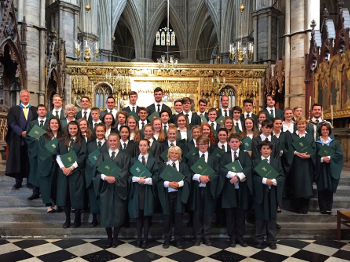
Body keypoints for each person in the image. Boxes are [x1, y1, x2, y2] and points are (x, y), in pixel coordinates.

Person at [93, 133, 131, 248]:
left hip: (119, 187)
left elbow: (126, 171)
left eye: (115, 141)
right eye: (110, 141)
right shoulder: (102, 156)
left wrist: (115, 178)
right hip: (106, 188)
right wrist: (105, 177)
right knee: (106, 213)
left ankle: (115, 238)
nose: (113, 143)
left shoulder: (125, 156)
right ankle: (109, 238)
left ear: (118, 141)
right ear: (107, 142)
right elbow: (97, 171)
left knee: (118, 212)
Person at [218, 133, 252, 247]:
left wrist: (239, 177)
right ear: (228, 143)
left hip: (242, 189)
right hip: (229, 188)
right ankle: (232, 237)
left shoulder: (245, 155)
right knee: (230, 214)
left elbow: (248, 167)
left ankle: (240, 237)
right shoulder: (224, 155)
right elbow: (221, 168)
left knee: (240, 214)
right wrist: (231, 175)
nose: (234, 144)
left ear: (240, 143)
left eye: (236, 142)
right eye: (232, 142)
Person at [252, 141, 284, 250]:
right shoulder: (255, 162)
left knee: (272, 218)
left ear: (271, 150)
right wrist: (264, 180)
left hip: (272, 193)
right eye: (264, 148)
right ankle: (259, 239)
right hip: (260, 193)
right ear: (260, 150)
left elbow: (282, 176)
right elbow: (252, 177)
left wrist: (274, 181)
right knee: (260, 217)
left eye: (268, 148)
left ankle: (271, 240)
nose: (266, 150)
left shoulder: (276, 163)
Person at [187, 135, 219, 246]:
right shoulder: (193, 158)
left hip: (209, 189)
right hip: (196, 190)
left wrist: (208, 177)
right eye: (201, 144)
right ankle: (197, 236)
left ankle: (206, 236)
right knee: (197, 213)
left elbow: (217, 172)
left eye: (205, 143)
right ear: (197, 145)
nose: (203, 146)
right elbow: (189, 173)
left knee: (208, 213)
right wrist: (199, 177)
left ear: (208, 145)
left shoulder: (213, 158)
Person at [157, 145, 191, 249]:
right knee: (167, 218)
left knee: (178, 219)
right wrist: (168, 184)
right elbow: (158, 181)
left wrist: (179, 184)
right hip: (167, 195)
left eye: (176, 153)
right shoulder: (163, 166)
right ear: (168, 154)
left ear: (179, 155)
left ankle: (178, 240)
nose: (174, 155)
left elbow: (188, 179)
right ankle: (167, 239)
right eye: (172, 153)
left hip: (179, 195)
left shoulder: (184, 166)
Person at [128, 139, 159, 248]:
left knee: (146, 216)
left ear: (148, 146)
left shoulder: (153, 161)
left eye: (144, 145)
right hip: (136, 191)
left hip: (148, 191)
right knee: (138, 216)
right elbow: (127, 175)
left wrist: (146, 180)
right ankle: (138, 238)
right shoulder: (133, 160)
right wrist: (136, 179)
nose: (142, 147)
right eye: (140, 145)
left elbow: (157, 176)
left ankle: (145, 239)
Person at [56, 121, 86, 228]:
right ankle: (67, 220)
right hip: (64, 173)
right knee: (66, 197)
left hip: (76, 173)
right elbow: (58, 155)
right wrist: (63, 168)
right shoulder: (61, 141)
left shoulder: (82, 141)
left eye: (74, 129)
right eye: (71, 129)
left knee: (76, 196)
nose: (72, 131)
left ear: (77, 129)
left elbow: (82, 157)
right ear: (67, 129)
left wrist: (71, 168)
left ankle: (77, 219)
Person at [6, 90, 38, 189]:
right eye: (23, 96)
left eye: (27, 96)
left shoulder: (34, 109)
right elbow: (12, 123)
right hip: (17, 139)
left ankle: (30, 181)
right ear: (20, 97)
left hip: (31, 140)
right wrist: (21, 132)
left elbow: (37, 123)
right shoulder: (13, 109)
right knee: (18, 159)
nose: (25, 98)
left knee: (30, 160)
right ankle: (18, 181)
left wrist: (29, 134)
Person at [287, 117, 315, 214]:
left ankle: (305, 207)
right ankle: (297, 207)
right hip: (296, 163)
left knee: (306, 184)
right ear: (296, 125)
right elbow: (289, 148)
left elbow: (314, 149)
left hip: (307, 164)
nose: (301, 126)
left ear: (306, 125)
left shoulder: (310, 137)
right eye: (299, 124)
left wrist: (309, 155)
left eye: (303, 124)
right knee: (297, 183)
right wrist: (295, 153)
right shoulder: (292, 136)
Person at [315, 123, 343, 214]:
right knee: (321, 188)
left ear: (329, 131)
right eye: (323, 130)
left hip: (331, 168)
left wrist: (330, 158)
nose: (325, 131)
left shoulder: (334, 143)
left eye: (327, 130)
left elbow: (339, 154)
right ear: (320, 131)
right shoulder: (317, 143)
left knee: (329, 188)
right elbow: (314, 156)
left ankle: (328, 208)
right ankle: (322, 208)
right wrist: (322, 159)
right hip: (321, 168)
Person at [37, 117, 63, 213]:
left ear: (59, 125)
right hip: (47, 163)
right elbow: (42, 150)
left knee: (58, 184)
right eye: (52, 123)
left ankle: (56, 203)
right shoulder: (43, 136)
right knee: (46, 184)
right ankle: (48, 205)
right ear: (49, 124)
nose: (54, 125)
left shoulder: (62, 136)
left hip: (59, 164)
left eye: (56, 123)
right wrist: (53, 155)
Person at [85, 123, 108, 226]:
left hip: (104, 175)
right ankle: (94, 218)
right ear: (95, 132)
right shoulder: (90, 145)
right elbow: (86, 159)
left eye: (102, 131)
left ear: (105, 132)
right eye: (98, 131)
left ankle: (103, 217)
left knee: (103, 198)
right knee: (93, 197)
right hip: (92, 175)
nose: (100, 133)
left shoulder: (108, 144)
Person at [25, 104, 48, 200]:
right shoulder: (32, 124)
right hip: (35, 151)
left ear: (46, 111)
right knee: (34, 171)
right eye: (40, 110)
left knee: (45, 171)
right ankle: (35, 191)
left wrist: (44, 141)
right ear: (37, 112)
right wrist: (37, 141)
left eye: (43, 110)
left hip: (47, 152)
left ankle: (45, 191)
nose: (42, 111)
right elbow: (28, 137)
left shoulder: (50, 123)